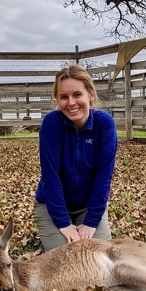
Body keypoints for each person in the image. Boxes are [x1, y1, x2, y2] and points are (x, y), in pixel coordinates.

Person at [34, 64, 117, 251]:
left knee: (99, 255)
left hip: (87, 206)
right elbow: (50, 176)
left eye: (77, 95)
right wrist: (64, 223)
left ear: (91, 95)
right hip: (51, 205)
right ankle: (51, 237)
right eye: (64, 97)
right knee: (65, 257)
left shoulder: (105, 124)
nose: (71, 103)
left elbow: (104, 177)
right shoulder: (51, 124)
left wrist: (91, 221)